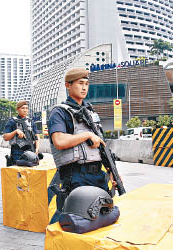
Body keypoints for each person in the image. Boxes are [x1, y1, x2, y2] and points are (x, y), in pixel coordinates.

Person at [48, 68, 117, 222]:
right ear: (68, 85)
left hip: (98, 176)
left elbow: (102, 146)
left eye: (86, 84)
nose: (84, 87)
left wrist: (112, 171)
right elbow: (59, 141)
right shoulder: (59, 112)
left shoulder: (90, 112)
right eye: (80, 83)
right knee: (79, 222)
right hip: (76, 176)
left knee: (103, 219)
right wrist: (87, 135)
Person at [3, 100, 41, 166]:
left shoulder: (30, 121)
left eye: (26, 108)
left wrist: (37, 148)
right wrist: (15, 131)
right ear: (17, 109)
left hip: (31, 151)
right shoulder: (12, 121)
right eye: (23, 108)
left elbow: (37, 136)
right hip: (17, 153)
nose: (25, 110)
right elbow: (5, 137)